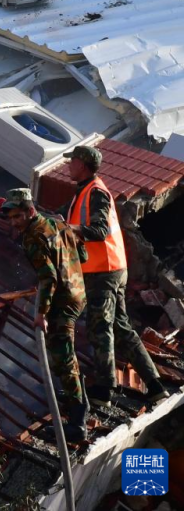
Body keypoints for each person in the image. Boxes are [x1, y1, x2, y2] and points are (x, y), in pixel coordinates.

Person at [60, 145, 169, 407]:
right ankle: (154, 385)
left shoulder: (96, 192)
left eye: (71, 161)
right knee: (120, 328)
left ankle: (104, 389)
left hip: (104, 272)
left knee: (100, 328)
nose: (68, 166)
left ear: (83, 164)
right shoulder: (86, 191)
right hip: (109, 270)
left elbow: (98, 230)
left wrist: (70, 229)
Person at [0, 188, 89, 441]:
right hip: (78, 292)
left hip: (62, 300)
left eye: (18, 216)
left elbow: (48, 277)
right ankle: (79, 400)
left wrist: (41, 313)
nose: (15, 223)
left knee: (63, 357)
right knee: (65, 355)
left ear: (30, 211)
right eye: (11, 218)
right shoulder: (56, 223)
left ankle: (77, 423)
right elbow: (83, 254)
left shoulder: (32, 237)